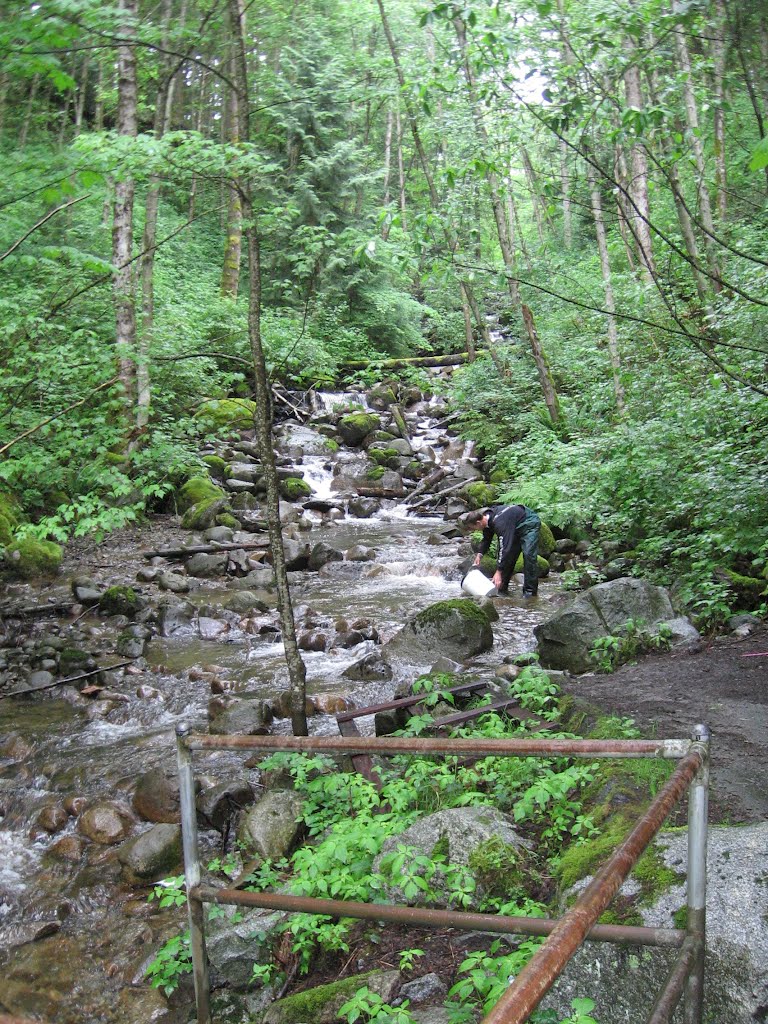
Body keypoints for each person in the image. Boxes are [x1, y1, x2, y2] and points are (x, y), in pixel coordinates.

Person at [465, 504, 541, 597]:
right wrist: (480, 554)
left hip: (528, 522)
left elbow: (505, 547)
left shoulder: (499, 524)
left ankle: (530, 592)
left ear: (478, 523)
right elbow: (486, 539)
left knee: (528, 555)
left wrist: (498, 571)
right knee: (509, 557)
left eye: (473, 528)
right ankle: (501, 588)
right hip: (513, 525)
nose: (474, 531)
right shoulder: (487, 520)